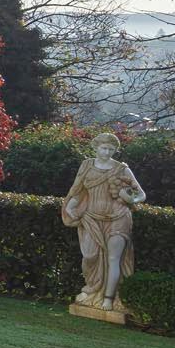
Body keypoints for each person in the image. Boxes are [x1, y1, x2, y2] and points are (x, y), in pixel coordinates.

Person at [61, 129, 146, 309]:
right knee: (89, 256)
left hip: (118, 218)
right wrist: (70, 206)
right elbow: (79, 190)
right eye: (104, 148)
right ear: (96, 147)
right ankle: (93, 290)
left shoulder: (122, 169)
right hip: (91, 218)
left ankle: (108, 299)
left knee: (114, 258)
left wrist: (130, 198)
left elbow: (141, 195)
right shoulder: (86, 166)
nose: (107, 152)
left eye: (111, 149)